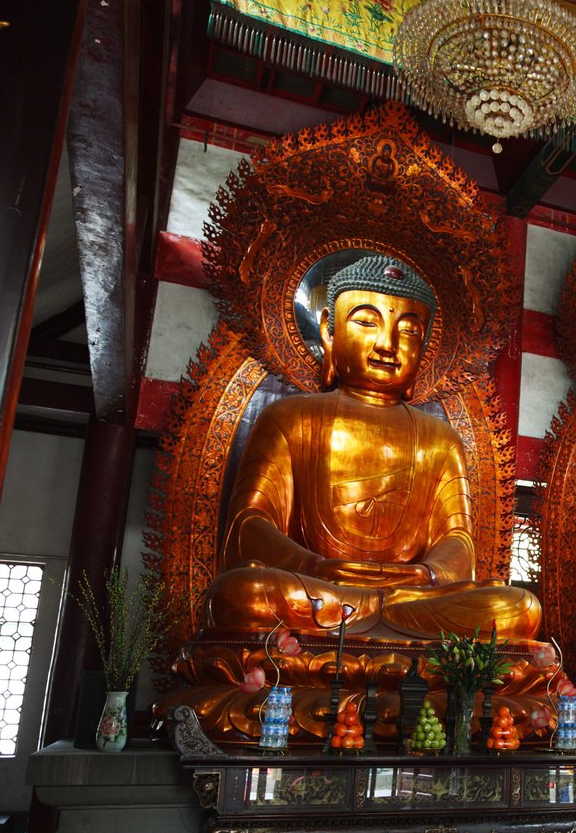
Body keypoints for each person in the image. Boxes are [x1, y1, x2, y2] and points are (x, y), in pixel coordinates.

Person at [201, 253, 541, 640]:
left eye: (409, 331)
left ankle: (373, 633)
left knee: (519, 608)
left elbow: (457, 542)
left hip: (410, 596)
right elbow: (249, 526)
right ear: (329, 331)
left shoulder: (441, 439)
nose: (387, 344)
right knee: (243, 595)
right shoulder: (290, 417)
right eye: (366, 322)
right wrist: (316, 566)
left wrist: (426, 573)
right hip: (320, 591)